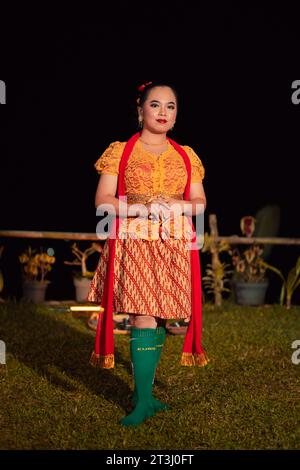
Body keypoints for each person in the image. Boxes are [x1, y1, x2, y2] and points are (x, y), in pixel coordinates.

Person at [88, 80, 209, 426]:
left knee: (158, 315)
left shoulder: (186, 155)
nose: (163, 112)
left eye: (170, 107)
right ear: (140, 108)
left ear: (176, 115)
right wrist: (140, 209)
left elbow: (199, 204)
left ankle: (146, 395)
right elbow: (103, 201)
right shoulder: (121, 151)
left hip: (173, 241)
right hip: (135, 237)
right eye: (155, 105)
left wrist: (177, 204)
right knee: (142, 314)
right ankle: (141, 401)